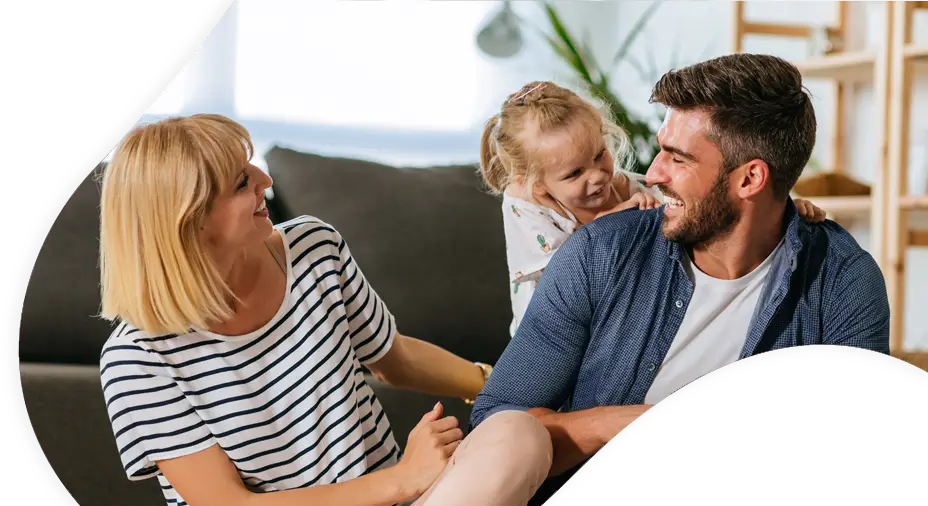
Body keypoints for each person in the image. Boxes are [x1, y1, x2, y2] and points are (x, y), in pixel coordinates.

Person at [470, 54, 890, 480]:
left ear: (750, 179)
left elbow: (856, 466)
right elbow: (494, 423)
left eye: (677, 157)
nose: (650, 174)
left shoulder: (842, 280)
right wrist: (624, 424)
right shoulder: (599, 251)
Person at [97, 114, 552, 506]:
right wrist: (401, 479)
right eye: (242, 182)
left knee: (519, 435)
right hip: (394, 489)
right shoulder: (136, 359)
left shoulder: (313, 246)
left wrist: (501, 389)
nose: (265, 182)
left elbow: (393, 357)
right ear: (190, 218)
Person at [477, 80, 826, 337]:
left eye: (600, 155)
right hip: (549, 334)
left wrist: (779, 206)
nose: (598, 176)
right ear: (536, 182)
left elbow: (704, 205)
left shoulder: (626, 187)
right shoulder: (526, 203)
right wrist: (609, 222)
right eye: (575, 174)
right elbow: (563, 275)